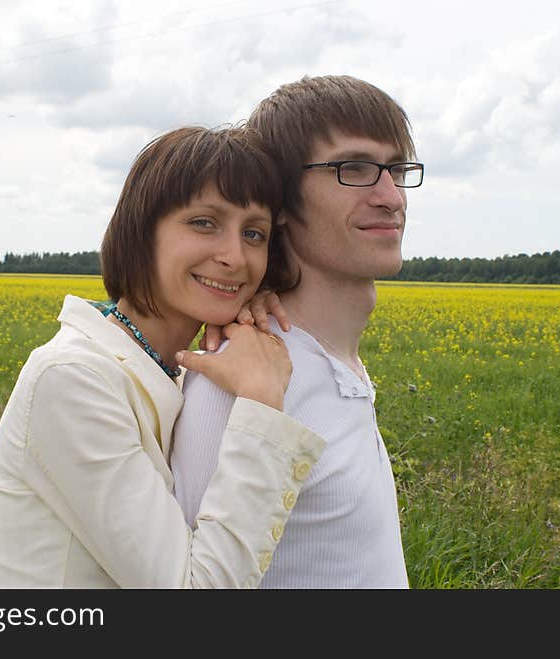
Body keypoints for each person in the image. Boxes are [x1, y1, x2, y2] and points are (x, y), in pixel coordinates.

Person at [0, 126, 327, 588]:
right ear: (142, 231)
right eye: (204, 222)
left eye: (254, 233)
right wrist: (263, 401)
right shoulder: (73, 379)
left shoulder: (174, 368)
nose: (234, 256)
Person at [171, 75, 424, 588]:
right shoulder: (237, 387)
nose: (391, 196)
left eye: (397, 170)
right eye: (353, 168)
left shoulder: (332, 363)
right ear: (281, 203)